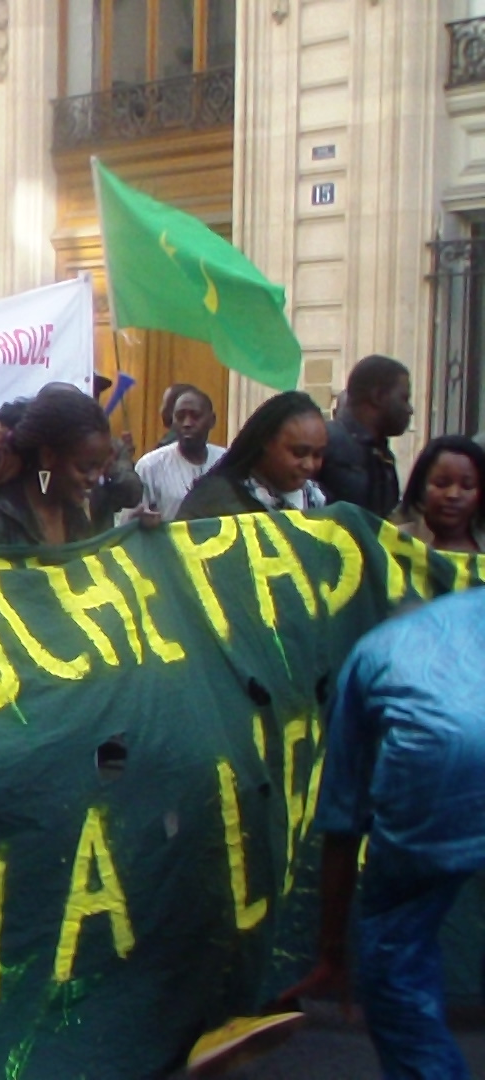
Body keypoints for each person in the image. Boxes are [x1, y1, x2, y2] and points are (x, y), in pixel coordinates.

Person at [277, 588, 485, 1077]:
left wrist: (334, 949)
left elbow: (342, 818)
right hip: (445, 759)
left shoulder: (371, 653)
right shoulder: (472, 609)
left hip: (433, 769)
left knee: (396, 956)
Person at [0, 383, 117, 550]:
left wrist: (137, 533)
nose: (94, 478)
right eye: (84, 467)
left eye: (100, 467)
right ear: (47, 456)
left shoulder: (77, 517)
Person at [174, 391, 329, 520]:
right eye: (299, 453)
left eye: (318, 455)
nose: (309, 464)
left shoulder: (318, 502)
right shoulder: (213, 501)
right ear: (266, 442)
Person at [319, 353, 412, 516]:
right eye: (404, 398)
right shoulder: (324, 443)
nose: (410, 409)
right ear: (378, 397)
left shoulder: (382, 456)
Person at [133, 386, 224, 522]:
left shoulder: (226, 461)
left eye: (195, 416)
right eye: (180, 417)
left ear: (212, 420)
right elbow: (130, 524)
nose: (187, 423)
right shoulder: (150, 466)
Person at [394, 435, 485, 553]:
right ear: (421, 485)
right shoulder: (395, 542)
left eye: (467, 486)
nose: (453, 494)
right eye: (441, 484)